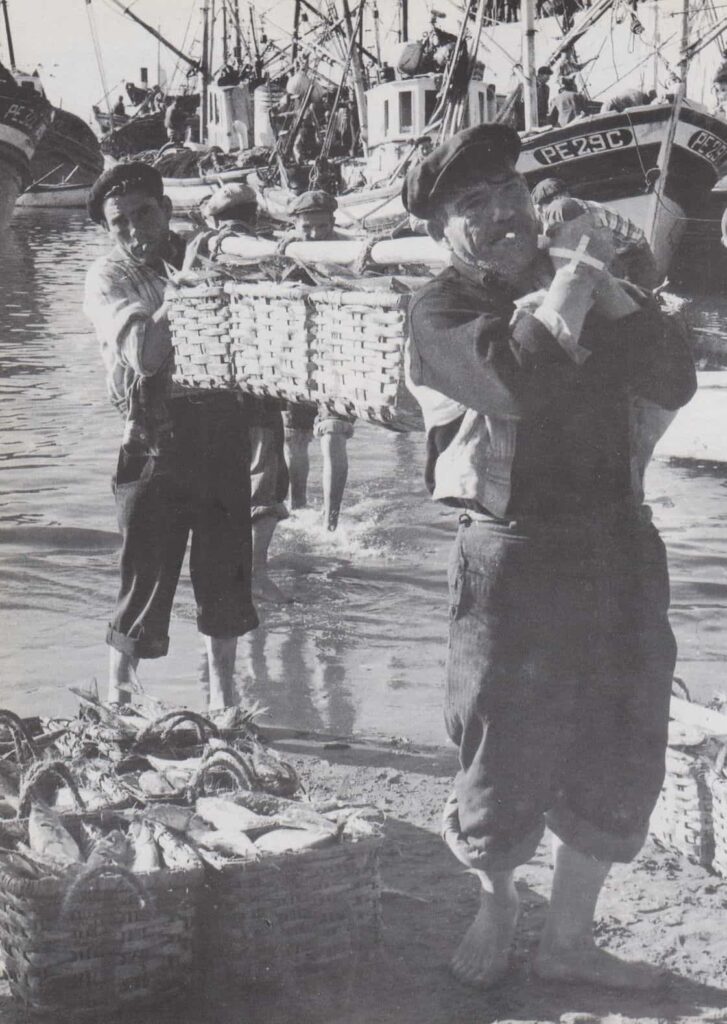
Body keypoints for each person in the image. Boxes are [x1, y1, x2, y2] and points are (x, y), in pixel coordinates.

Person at [402, 123, 696, 990]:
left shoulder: (582, 279)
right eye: (470, 208)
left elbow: (671, 379)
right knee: (500, 743)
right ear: (440, 232)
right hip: (512, 553)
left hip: (617, 541)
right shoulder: (441, 310)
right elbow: (517, 379)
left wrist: (597, 277)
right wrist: (575, 271)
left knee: (621, 731)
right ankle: (497, 903)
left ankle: (569, 938)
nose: (498, 217)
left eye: (504, 196)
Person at [83, 163, 258, 710]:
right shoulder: (107, 277)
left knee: (225, 568)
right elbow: (147, 353)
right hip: (155, 438)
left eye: (145, 214)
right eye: (121, 222)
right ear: (108, 230)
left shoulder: (206, 252)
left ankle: (225, 701)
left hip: (222, 429)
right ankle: (119, 699)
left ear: (165, 209)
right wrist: (185, 282)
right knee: (146, 574)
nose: (136, 230)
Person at [197, 183, 292, 603]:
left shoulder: (199, 249)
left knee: (225, 480)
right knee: (266, 480)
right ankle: (254, 575)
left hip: (213, 382)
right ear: (255, 215)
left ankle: (227, 573)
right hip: (258, 385)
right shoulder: (264, 249)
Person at [281, 190, 355, 532]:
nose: (314, 234)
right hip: (297, 356)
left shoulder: (350, 250)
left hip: (339, 355)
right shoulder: (286, 252)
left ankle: (331, 522)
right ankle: (297, 507)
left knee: (332, 435)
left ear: (333, 222)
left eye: (321, 226)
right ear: (295, 224)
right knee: (295, 436)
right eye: (306, 227)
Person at [531, 177, 660, 289]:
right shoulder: (557, 212)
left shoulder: (583, 214)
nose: (542, 216)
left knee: (638, 297)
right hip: (614, 251)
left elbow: (597, 254)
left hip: (633, 250)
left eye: (541, 211)